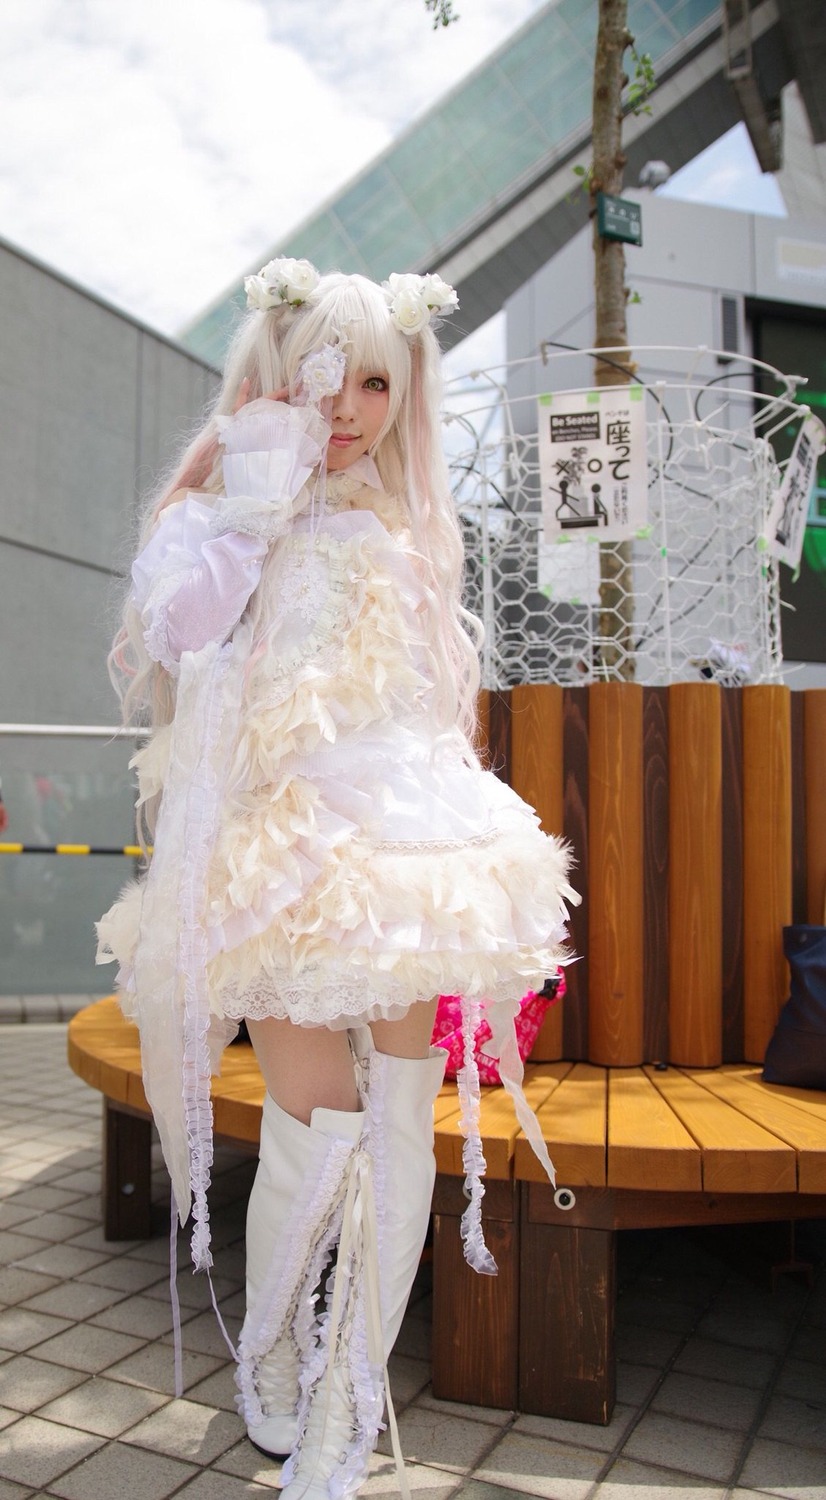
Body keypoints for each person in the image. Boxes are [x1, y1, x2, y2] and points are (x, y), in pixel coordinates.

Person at [97, 259, 577, 1499]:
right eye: (328, 376)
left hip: (404, 849)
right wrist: (242, 500)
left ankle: (345, 1411)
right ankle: (272, 1353)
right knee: (316, 1117)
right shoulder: (219, 510)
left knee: (401, 1113)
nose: (352, 406)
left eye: (378, 380)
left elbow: (429, 704)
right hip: (278, 854)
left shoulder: (410, 524)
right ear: (271, 373)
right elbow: (183, 636)